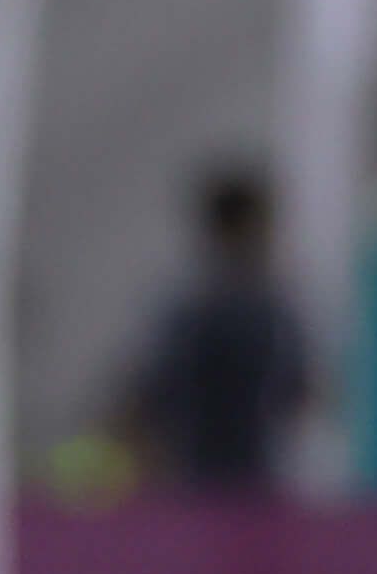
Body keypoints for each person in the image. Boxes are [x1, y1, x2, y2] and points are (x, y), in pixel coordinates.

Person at [124, 166, 310, 492]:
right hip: (206, 468)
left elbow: (150, 388)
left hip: (236, 469)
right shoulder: (207, 305)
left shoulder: (265, 302)